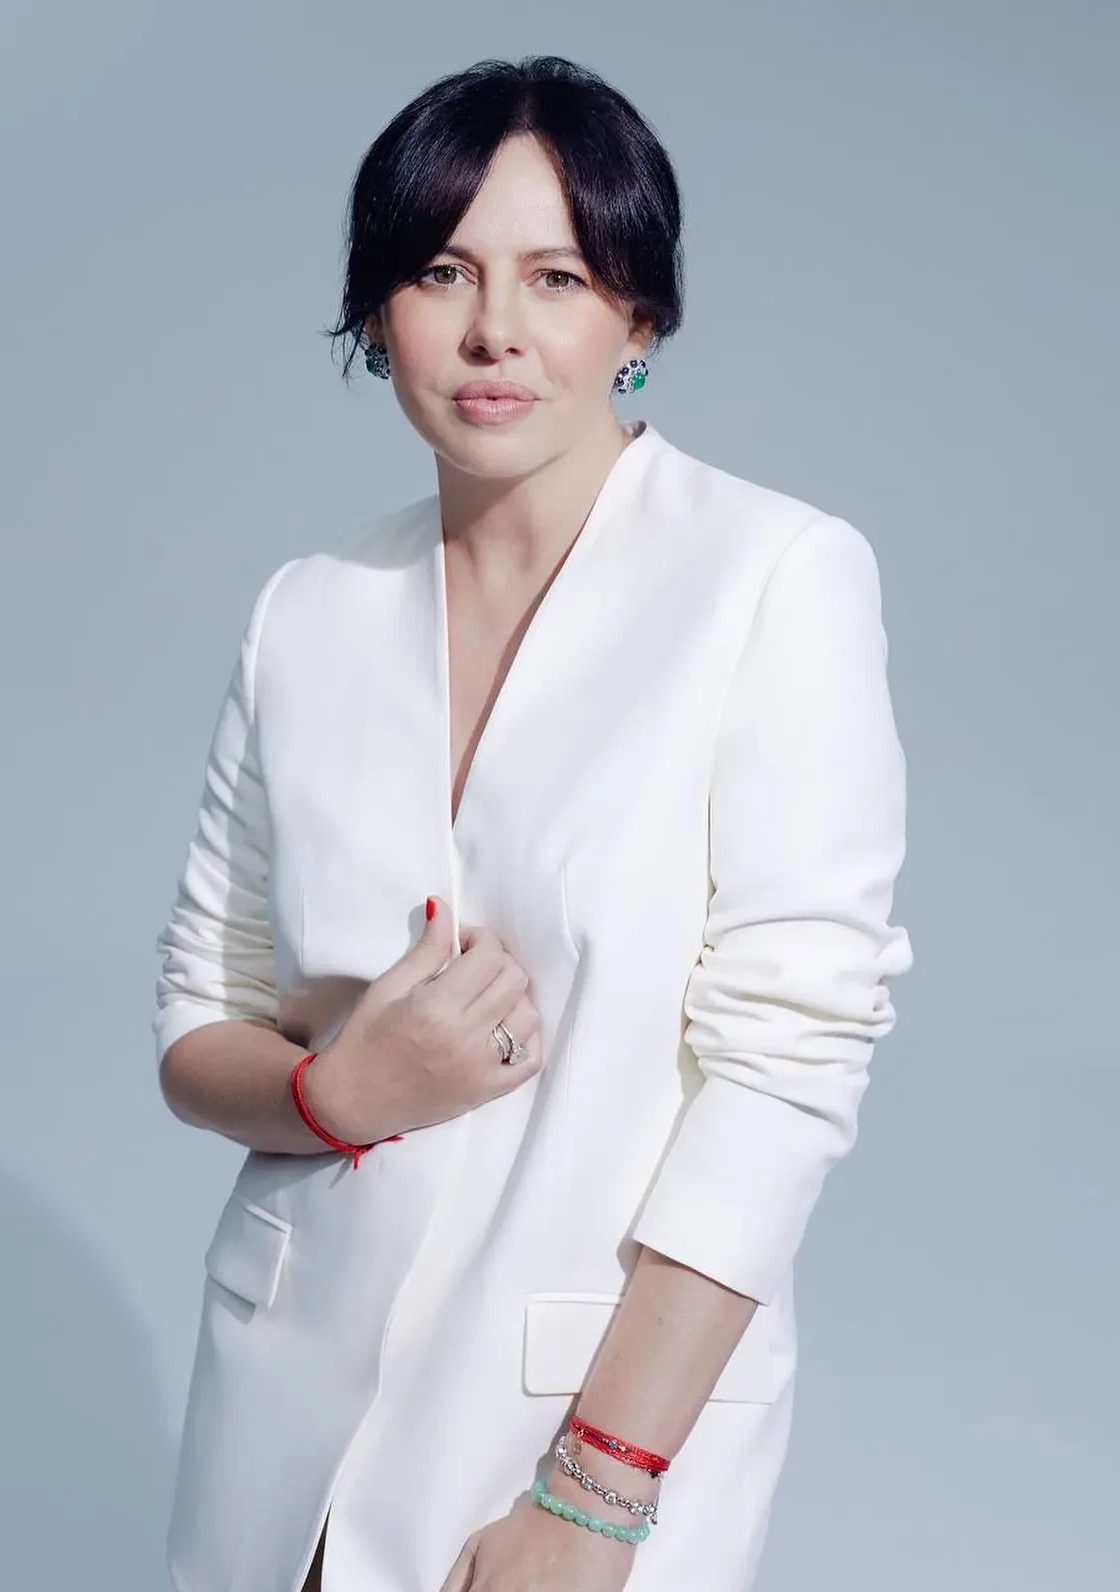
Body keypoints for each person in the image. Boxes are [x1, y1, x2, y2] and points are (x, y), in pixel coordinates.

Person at [152, 52, 914, 1592]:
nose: (494, 328)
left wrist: (597, 1493)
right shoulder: (310, 611)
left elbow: (786, 1073)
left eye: (556, 277)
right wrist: (339, 1094)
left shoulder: (773, 579)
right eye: (443, 272)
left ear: (640, 320)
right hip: (278, 1421)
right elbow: (196, 1025)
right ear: (379, 315)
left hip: (573, 1426)